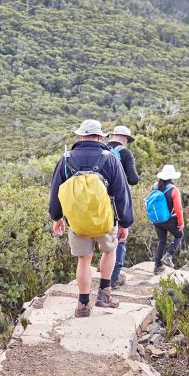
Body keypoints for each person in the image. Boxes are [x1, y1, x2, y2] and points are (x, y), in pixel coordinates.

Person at [49, 119, 133, 318]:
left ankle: (83, 305)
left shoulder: (66, 159)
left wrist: (57, 217)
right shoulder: (110, 158)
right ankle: (105, 295)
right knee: (109, 251)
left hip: (77, 222)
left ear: (80, 136)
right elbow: (121, 193)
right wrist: (125, 222)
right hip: (105, 219)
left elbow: (55, 191)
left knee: (84, 260)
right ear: (100, 136)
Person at [106, 125, 139, 289]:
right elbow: (133, 179)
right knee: (119, 238)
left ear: (112, 135)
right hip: (117, 201)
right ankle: (114, 277)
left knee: (102, 237)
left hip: (97, 201)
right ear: (125, 138)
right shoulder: (125, 153)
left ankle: (103, 273)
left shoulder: (101, 149)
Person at [146, 164, 184, 274]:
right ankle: (168, 255)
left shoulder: (154, 186)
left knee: (162, 240)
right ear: (172, 177)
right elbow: (178, 208)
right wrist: (181, 223)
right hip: (169, 220)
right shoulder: (174, 190)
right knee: (179, 235)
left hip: (157, 220)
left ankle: (157, 267)